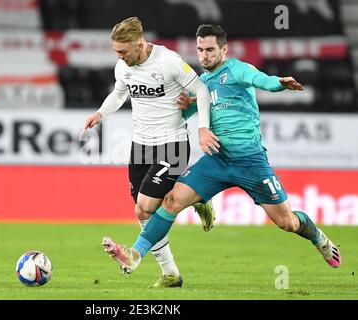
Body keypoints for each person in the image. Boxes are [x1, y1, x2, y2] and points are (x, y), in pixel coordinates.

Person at [102, 24, 341, 275]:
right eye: (200, 49)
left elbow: (261, 79)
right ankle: (135, 255)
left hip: (250, 162)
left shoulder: (238, 69)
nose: (204, 55)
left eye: (210, 49)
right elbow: (187, 113)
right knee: (171, 201)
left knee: (287, 222)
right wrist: (184, 105)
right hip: (216, 162)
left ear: (224, 49)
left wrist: (279, 83)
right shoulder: (203, 83)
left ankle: (318, 238)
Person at [82, 17, 217, 288]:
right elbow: (120, 94)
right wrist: (100, 113)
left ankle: (195, 197)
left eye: (123, 51)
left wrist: (203, 129)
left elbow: (201, 90)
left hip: (173, 144)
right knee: (142, 213)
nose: (119, 56)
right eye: (116, 51)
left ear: (140, 44)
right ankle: (171, 274)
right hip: (141, 145)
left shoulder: (168, 61)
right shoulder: (124, 66)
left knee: (146, 205)